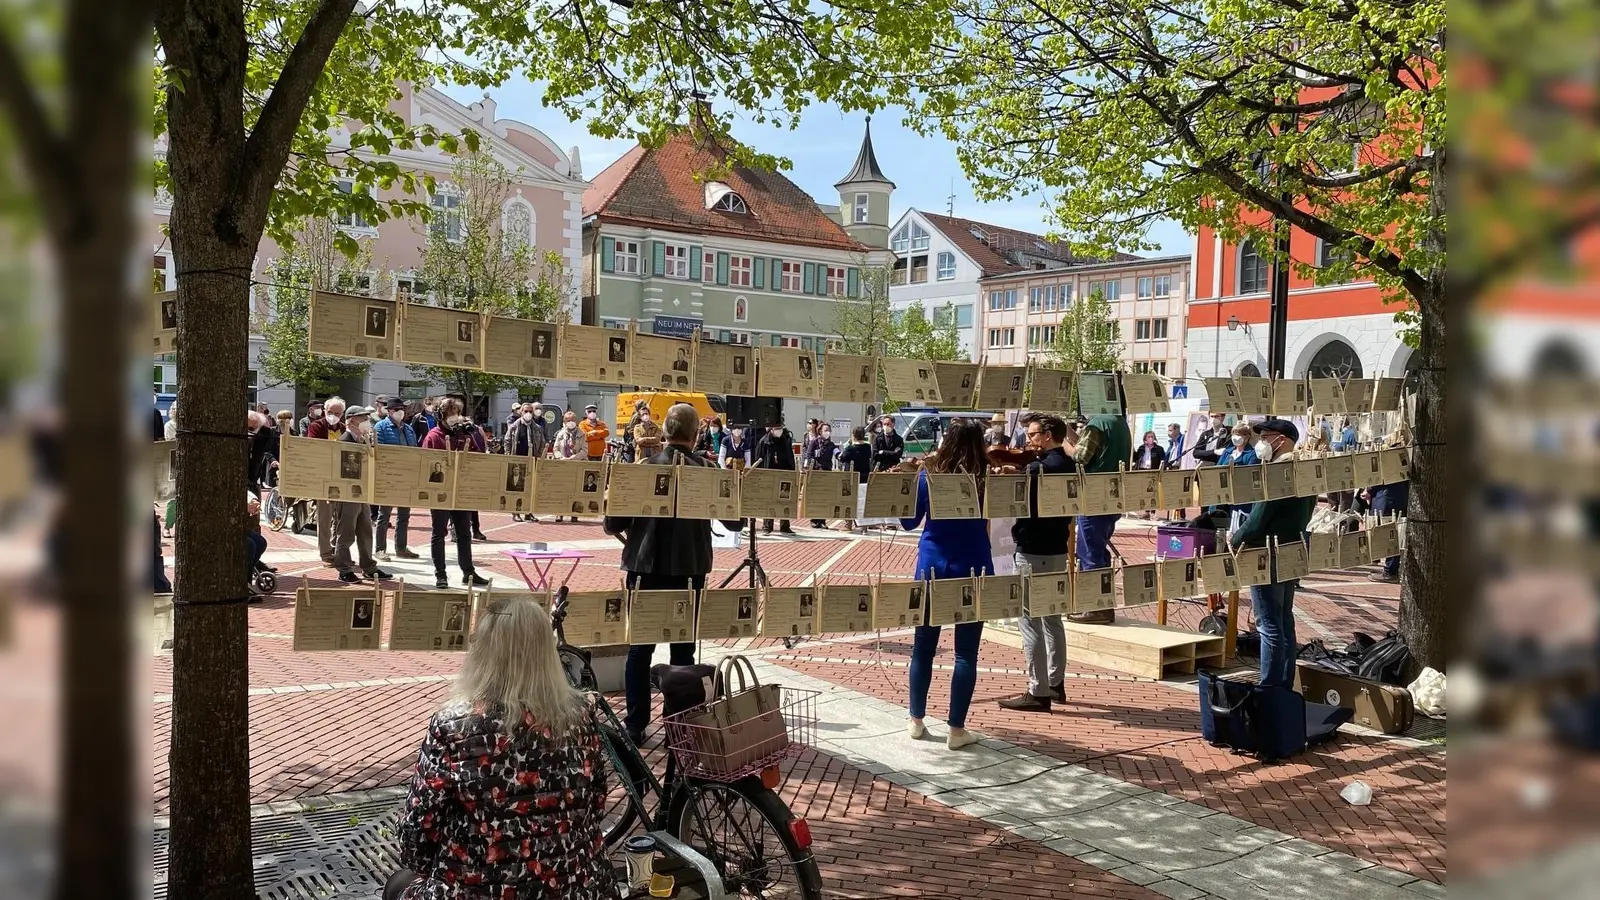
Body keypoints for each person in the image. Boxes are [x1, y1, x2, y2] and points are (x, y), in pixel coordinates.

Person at [387, 596, 612, 900]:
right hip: (576, 886)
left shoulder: (454, 726)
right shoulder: (580, 716)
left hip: (476, 888)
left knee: (399, 884)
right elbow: (595, 803)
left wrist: (430, 865)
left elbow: (419, 831)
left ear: (484, 652)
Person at [604, 404, 743, 745]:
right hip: (689, 570)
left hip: (645, 568)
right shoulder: (709, 470)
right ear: (695, 435)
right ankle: (677, 726)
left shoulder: (642, 469)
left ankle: (636, 725)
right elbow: (735, 522)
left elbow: (613, 525)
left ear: (663, 433)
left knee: (640, 651)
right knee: (683, 652)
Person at [899, 419, 990, 750]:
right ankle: (956, 729)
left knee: (923, 647)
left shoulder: (929, 477)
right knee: (966, 653)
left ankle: (916, 720)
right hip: (974, 565)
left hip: (932, 565)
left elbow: (909, 523)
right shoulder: (988, 479)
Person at [998, 413, 1075, 712]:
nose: (1027, 441)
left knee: (1029, 621)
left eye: (1032, 435)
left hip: (1032, 550)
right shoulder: (1068, 464)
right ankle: (1056, 683)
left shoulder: (1037, 468)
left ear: (1046, 435)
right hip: (1057, 549)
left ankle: (1038, 690)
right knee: (1053, 618)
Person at [1229, 419, 1314, 688]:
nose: (1261, 443)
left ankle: (1269, 686)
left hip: (1268, 551)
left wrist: (1237, 538)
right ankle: (1284, 683)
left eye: (1266, 437)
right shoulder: (1304, 469)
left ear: (1282, 439)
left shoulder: (1277, 470)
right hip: (1292, 549)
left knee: (1268, 624)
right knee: (1284, 620)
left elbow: (1259, 517)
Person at [422, 398, 491, 589]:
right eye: (449, 413)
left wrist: (474, 433)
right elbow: (426, 463)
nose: (454, 417)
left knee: (464, 533)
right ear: (440, 416)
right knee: (439, 533)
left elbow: (478, 455)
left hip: (462, 491)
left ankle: (468, 572)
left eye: (456, 412)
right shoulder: (433, 436)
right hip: (441, 492)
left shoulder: (464, 433)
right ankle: (440, 574)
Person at [1070, 412, 1132, 624]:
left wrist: (1061, 442)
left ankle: (1095, 608)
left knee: (1089, 553)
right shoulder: (1120, 423)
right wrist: (1069, 433)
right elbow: (1090, 445)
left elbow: (1080, 457)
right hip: (1112, 497)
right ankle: (1104, 606)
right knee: (1099, 552)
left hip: (1093, 497)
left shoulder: (1098, 423)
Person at [332, 407, 390, 583]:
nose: (367, 421)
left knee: (365, 531)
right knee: (346, 533)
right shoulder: (345, 439)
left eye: (367, 417)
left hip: (362, 493)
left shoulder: (365, 439)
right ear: (351, 421)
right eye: (362, 418)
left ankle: (369, 567)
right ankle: (344, 568)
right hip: (347, 493)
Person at [373, 398, 420, 561]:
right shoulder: (380, 427)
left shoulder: (409, 429)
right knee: (384, 514)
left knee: (404, 515)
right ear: (389, 411)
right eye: (397, 409)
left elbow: (414, 450)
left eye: (403, 409)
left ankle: (401, 547)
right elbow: (380, 451)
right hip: (389, 476)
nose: (401, 412)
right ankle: (380, 549)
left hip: (407, 476)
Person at [306, 397, 348, 566]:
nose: (333, 416)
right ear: (324, 411)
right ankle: (325, 552)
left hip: (341, 477)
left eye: (337, 413)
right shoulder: (316, 426)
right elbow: (314, 449)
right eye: (330, 412)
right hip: (323, 476)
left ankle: (338, 549)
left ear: (342, 414)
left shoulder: (345, 429)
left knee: (341, 516)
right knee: (324, 516)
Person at [753, 420, 797, 534]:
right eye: (776, 428)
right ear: (771, 429)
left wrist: (792, 472)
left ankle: (785, 526)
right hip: (769, 474)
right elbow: (758, 458)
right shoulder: (764, 442)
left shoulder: (785, 440)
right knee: (769, 500)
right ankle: (767, 526)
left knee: (785, 499)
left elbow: (790, 457)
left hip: (784, 473)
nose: (779, 431)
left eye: (780, 428)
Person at [837, 426, 873, 532]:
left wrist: (847, 445)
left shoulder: (851, 449)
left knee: (849, 500)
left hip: (851, 477)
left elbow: (842, 458)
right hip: (864, 477)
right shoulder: (867, 447)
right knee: (862, 501)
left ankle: (848, 524)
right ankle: (864, 526)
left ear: (853, 435)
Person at [806, 423, 838, 527]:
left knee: (825, 497)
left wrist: (843, 456)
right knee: (816, 497)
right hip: (816, 472)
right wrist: (812, 465)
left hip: (827, 472)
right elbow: (808, 455)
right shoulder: (814, 442)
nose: (827, 432)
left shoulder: (831, 444)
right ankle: (814, 520)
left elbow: (838, 454)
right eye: (825, 430)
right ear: (820, 431)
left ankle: (823, 520)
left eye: (829, 430)